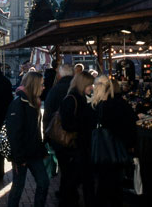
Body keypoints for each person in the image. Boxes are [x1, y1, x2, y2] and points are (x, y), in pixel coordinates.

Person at [91, 76, 137, 207]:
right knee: (115, 187)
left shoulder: (97, 106)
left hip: (101, 151)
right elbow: (130, 124)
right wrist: (130, 144)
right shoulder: (120, 104)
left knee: (104, 186)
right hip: (117, 150)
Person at [6, 71, 49, 207]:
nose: (44, 87)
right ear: (34, 85)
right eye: (41, 84)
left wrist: (41, 149)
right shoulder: (18, 103)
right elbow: (14, 133)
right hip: (22, 155)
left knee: (44, 182)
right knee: (18, 187)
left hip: (35, 152)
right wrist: (19, 158)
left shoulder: (34, 102)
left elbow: (35, 130)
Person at [58, 71, 95, 207]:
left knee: (75, 180)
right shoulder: (72, 99)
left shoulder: (79, 97)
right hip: (74, 147)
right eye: (90, 84)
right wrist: (86, 122)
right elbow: (67, 124)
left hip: (78, 147)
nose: (92, 87)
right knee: (75, 180)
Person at [43, 63, 74, 132]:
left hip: (57, 132)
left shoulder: (54, 90)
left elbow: (47, 112)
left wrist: (46, 133)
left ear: (59, 75)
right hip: (76, 132)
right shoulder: (77, 88)